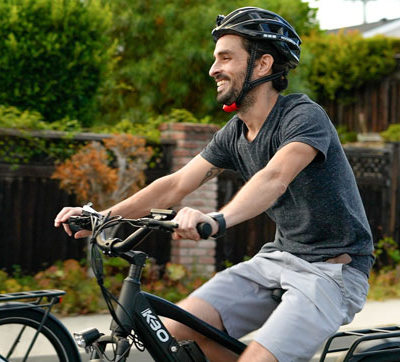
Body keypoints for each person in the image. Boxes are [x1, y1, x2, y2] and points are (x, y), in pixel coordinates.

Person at [55, 7, 373, 362]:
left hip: (332, 271)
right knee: (175, 332)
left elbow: (274, 178)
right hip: (277, 259)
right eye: (215, 58)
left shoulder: (303, 117)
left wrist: (217, 220)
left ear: (263, 64)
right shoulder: (234, 134)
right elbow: (176, 184)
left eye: (226, 58)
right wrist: (103, 216)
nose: (213, 69)